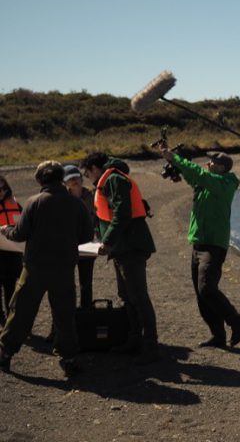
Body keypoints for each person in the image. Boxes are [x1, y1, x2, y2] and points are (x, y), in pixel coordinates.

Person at [0, 161, 93, 376]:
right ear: (61, 178)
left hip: (35, 268)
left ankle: (5, 353)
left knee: (21, 311)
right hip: (64, 269)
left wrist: (6, 230)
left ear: (40, 179)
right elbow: (87, 236)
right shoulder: (76, 204)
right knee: (64, 315)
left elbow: (19, 235)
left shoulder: (34, 202)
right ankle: (68, 358)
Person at [159, 147, 240, 349]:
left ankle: (236, 320)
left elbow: (198, 173)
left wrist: (176, 158)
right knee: (201, 296)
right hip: (198, 242)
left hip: (214, 244)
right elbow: (193, 176)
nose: (207, 165)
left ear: (221, 167)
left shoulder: (224, 183)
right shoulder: (207, 183)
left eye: (211, 163)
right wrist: (176, 165)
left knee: (207, 289)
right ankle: (218, 336)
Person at [80, 152, 159, 365]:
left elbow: (121, 214)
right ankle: (134, 339)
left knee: (138, 296)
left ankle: (150, 345)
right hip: (123, 248)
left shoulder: (114, 179)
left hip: (131, 247)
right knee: (126, 294)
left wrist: (106, 242)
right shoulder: (112, 178)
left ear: (95, 168)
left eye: (87, 173)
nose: (88, 178)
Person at [45, 165, 98, 342]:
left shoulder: (92, 195)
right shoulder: (60, 198)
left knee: (86, 285)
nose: (75, 181)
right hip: (65, 247)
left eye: (77, 178)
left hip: (87, 246)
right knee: (62, 289)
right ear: (64, 182)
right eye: (71, 178)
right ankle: (58, 329)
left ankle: (86, 324)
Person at [0, 175, 23, 329]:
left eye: (3, 188)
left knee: (10, 287)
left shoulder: (15, 204)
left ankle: (10, 319)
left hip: (12, 253)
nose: (1, 192)